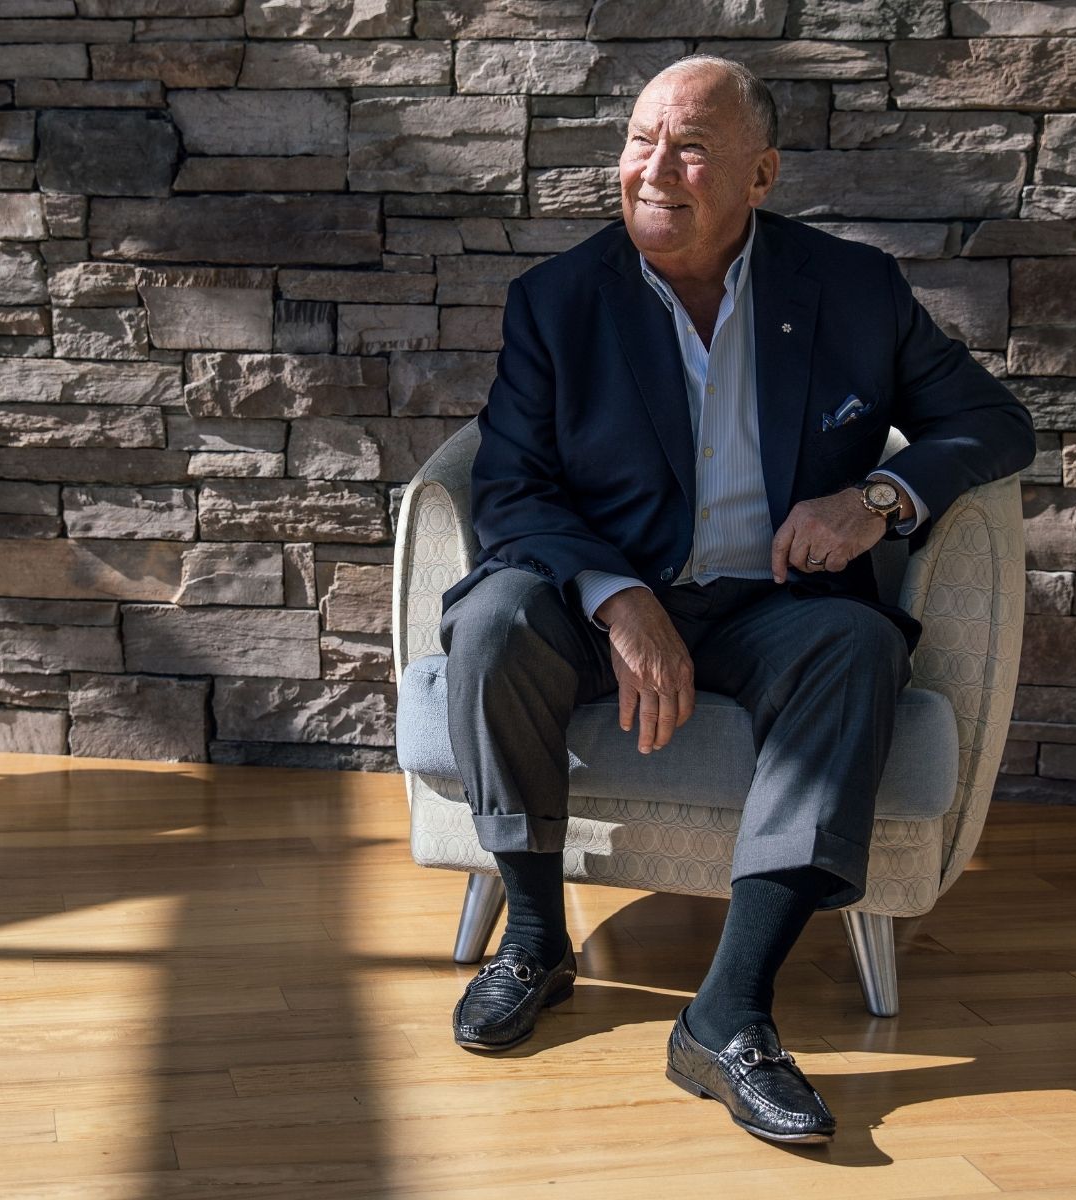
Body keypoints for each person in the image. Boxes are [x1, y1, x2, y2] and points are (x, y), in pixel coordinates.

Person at [435, 53, 1036, 1145]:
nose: (654, 168)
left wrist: (879, 497)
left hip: (777, 603)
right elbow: (512, 488)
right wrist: (621, 602)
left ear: (760, 175)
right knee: (490, 622)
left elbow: (993, 424)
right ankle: (534, 938)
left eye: (692, 147)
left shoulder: (852, 289)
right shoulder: (558, 301)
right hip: (606, 600)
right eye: (638, 140)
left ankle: (729, 1013)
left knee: (857, 647)